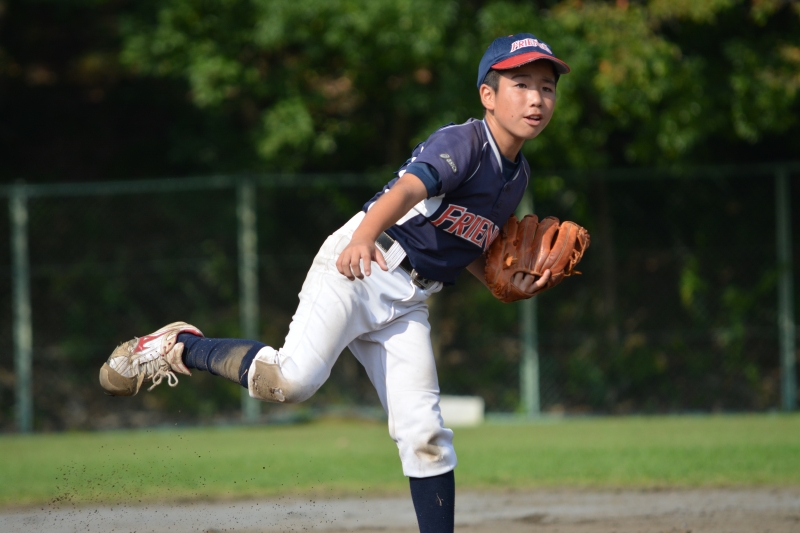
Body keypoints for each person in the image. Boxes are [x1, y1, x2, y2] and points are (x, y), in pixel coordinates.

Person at [99, 32, 570, 533]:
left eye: (547, 87)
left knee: (425, 433)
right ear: (488, 95)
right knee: (290, 382)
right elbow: (406, 191)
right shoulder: (464, 143)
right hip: (362, 266)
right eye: (522, 84)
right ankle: (180, 346)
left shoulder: (516, 176)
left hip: (410, 299)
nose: (537, 99)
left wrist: (501, 282)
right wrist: (362, 237)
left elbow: (468, 243)